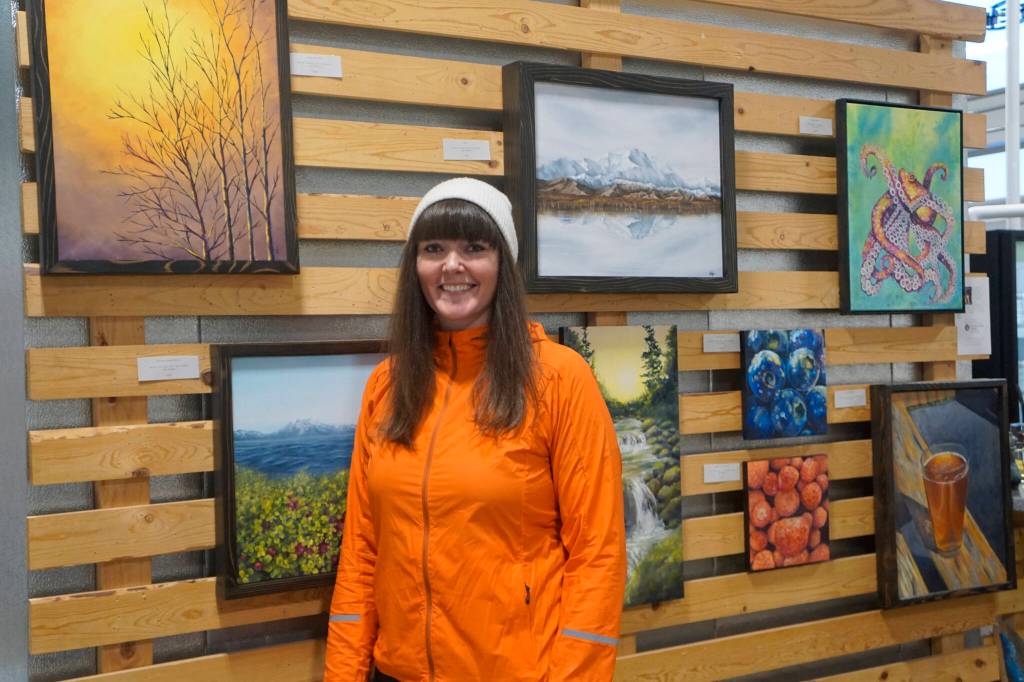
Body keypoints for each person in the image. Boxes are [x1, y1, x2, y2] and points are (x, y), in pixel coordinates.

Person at [324, 177, 626, 682]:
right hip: (397, 673)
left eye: (474, 248)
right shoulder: (387, 385)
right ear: (414, 265)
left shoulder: (559, 378)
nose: (452, 265)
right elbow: (361, 551)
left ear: (502, 264)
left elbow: (598, 556)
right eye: (434, 248)